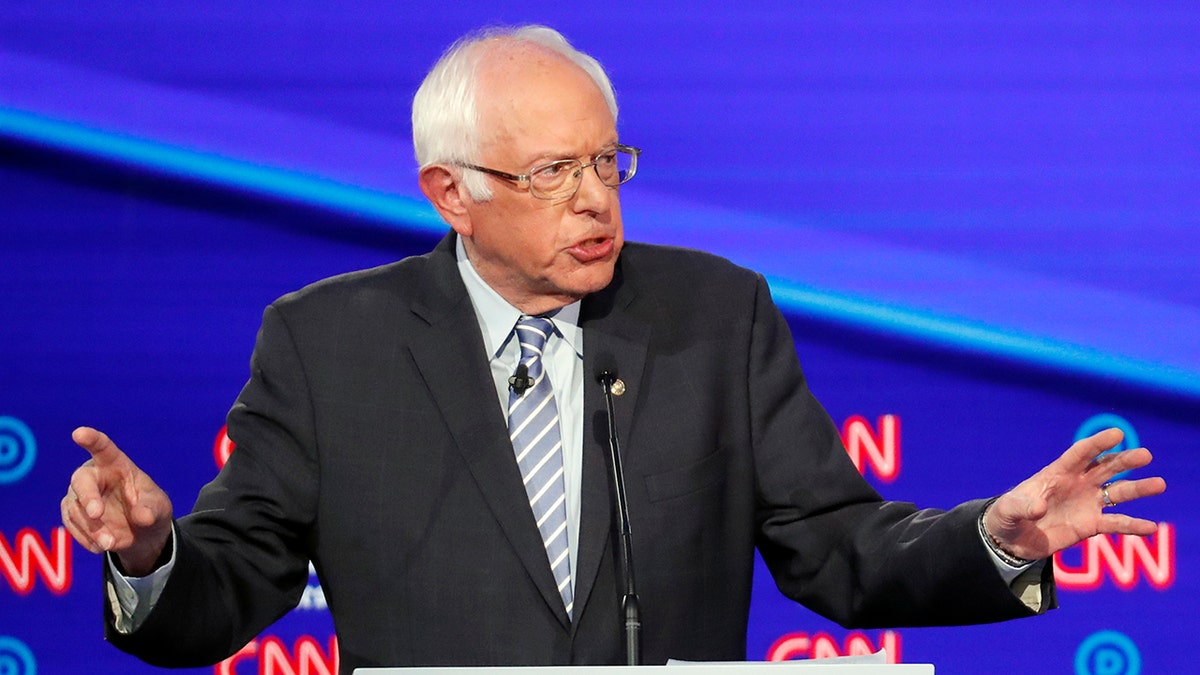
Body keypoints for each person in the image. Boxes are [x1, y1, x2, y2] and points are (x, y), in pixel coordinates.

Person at [61, 25, 1166, 673]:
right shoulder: (326, 341)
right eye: (551, 175)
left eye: (607, 163)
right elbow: (231, 589)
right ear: (451, 194)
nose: (595, 202)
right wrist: (151, 556)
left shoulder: (710, 313)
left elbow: (837, 548)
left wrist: (999, 538)